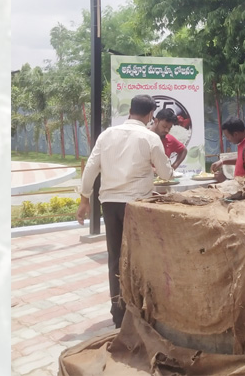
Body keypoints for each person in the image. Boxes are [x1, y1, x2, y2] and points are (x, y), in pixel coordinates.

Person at [76, 94, 173, 328]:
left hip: (110, 205)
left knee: (116, 258)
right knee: (140, 257)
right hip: (138, 205)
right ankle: (140, 310)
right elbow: (167, 174)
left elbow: (91, 167)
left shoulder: (107, 135)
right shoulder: (149, 137)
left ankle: (119, 314)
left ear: (130, 110)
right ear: (151, 114)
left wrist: (84, 199)